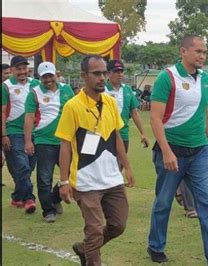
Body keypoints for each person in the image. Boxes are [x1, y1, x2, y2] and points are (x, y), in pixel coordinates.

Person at [147, 35, 208, 265]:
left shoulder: (206, 79)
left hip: (199, 152)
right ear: (183, 51)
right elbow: (155, 118)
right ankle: (155, 246)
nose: (202, 56)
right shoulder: (167, 77)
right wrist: (166, 151)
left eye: (204, 52)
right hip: (171, 150)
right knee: (164, 201)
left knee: (207, 203)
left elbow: (205, 111)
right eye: (197, 51)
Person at [56, 55, 135, 266]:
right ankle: (91, 255)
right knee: (96, 229)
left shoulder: (110, 102)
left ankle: (84, 248)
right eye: (97, 73)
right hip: (85, 179)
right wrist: (64, 182)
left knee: (118, 225)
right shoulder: (72, 106)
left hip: (111, 178)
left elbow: (117, 136)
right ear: (84, 76)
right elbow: (64, 145)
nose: (102, 77)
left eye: (104, 73)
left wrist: (126, 167)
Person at [24, 61, 74, 223]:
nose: (48, 80)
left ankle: (55, 198)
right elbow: (29, 117)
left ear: (56, 75)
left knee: (73, 173)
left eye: (50, 76)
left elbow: (75, 110)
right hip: (44, 141)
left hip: (65, 140)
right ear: (40, 77)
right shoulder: (34, 93)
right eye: (44, 77)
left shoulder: (66, 90)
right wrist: (28, 141)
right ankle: (48, 210)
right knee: (45, 178)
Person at [2, 56, 39, 213]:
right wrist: (3, 135)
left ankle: (17, 196)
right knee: (22, 167)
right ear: (12, 70)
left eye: (24, 68)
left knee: (29, 167)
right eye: (18, 69)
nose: (22, 72)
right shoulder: (5, 86)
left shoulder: (35, 84)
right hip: (14, 131)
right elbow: (2, 112)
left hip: (34, 132)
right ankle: (29, 199)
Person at [105, 59, 149, 156]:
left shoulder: (127, 89)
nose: (120, 74)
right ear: (108, 73)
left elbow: (134, 113)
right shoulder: (101, 89)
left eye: (121, 71)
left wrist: (143, 133)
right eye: (116, 71)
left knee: (120, 166)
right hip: (104, 136)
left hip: (123, 134)